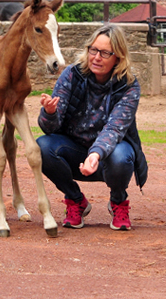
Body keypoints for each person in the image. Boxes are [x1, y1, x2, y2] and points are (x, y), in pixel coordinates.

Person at [37, 24, 147, 231]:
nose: (97, 57)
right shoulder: (71, 74)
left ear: (119, 57)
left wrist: (96, 154)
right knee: (41, 147)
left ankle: (118, 201)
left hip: (109, 155)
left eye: (105, 53)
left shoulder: (129, 85)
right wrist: (49, 113)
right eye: (93, 50)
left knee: (122, 156)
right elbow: (50, 129)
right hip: (74, 150)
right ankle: (75, 199)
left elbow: (115, 128)